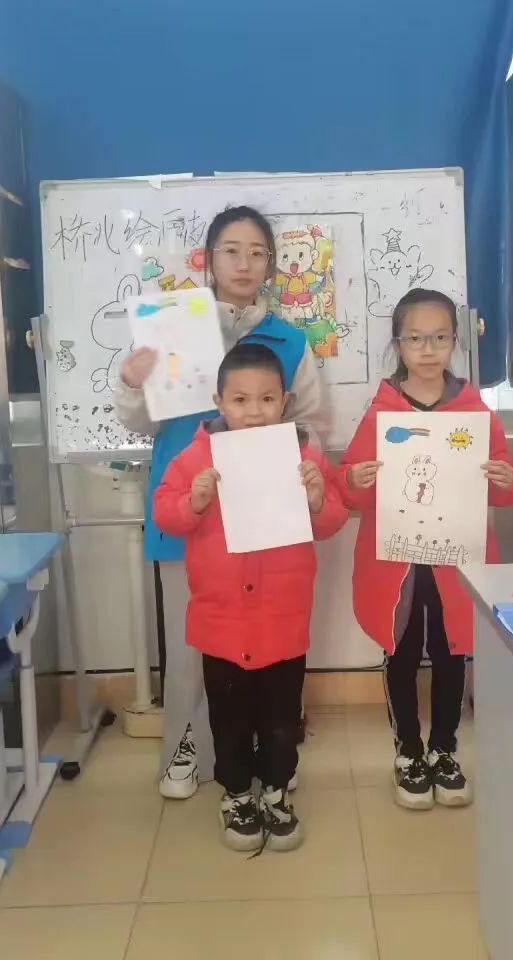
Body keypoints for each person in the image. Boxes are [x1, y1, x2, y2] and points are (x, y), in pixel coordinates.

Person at [113, 206, 328, 800]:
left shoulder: (289, 341)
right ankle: (185, 747)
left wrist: (293, 473)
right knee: (192, 649)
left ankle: (267, 753)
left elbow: (311, 423)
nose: (244, 263)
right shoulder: (171, 327)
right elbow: (140, 420)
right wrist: (131, 381)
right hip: (188, 512)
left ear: (270, 265)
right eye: (231, 250)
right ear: (208, 259)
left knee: (264, 645)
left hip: (267, 520)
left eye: (257, 252)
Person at [152, 342, 346, 850]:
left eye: (266, 399)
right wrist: (193, 502)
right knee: (229, 722)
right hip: (221, 623)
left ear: (284, 401)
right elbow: (165, 513)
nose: (254, 412)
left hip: (282, 621)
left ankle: (276, 791)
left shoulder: (302, 457)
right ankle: (237, 795)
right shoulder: (195, 458)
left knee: (282, 721)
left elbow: (332, 520)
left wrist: (317, 500)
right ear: (219, 402)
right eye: (240, 400)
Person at [337, 288, 513, 810]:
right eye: (415, 338)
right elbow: (348, 487)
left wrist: (504, 479)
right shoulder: (382, 411)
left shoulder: (474, 411)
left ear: (454, 342)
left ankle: (444, 749)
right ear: (398, 345)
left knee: (451, 650)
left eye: (439, 337)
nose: (427, 348)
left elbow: (508, 488)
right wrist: (354, 478)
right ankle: (408, 751)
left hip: (455, 559)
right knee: (400, 650)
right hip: (397, 562)